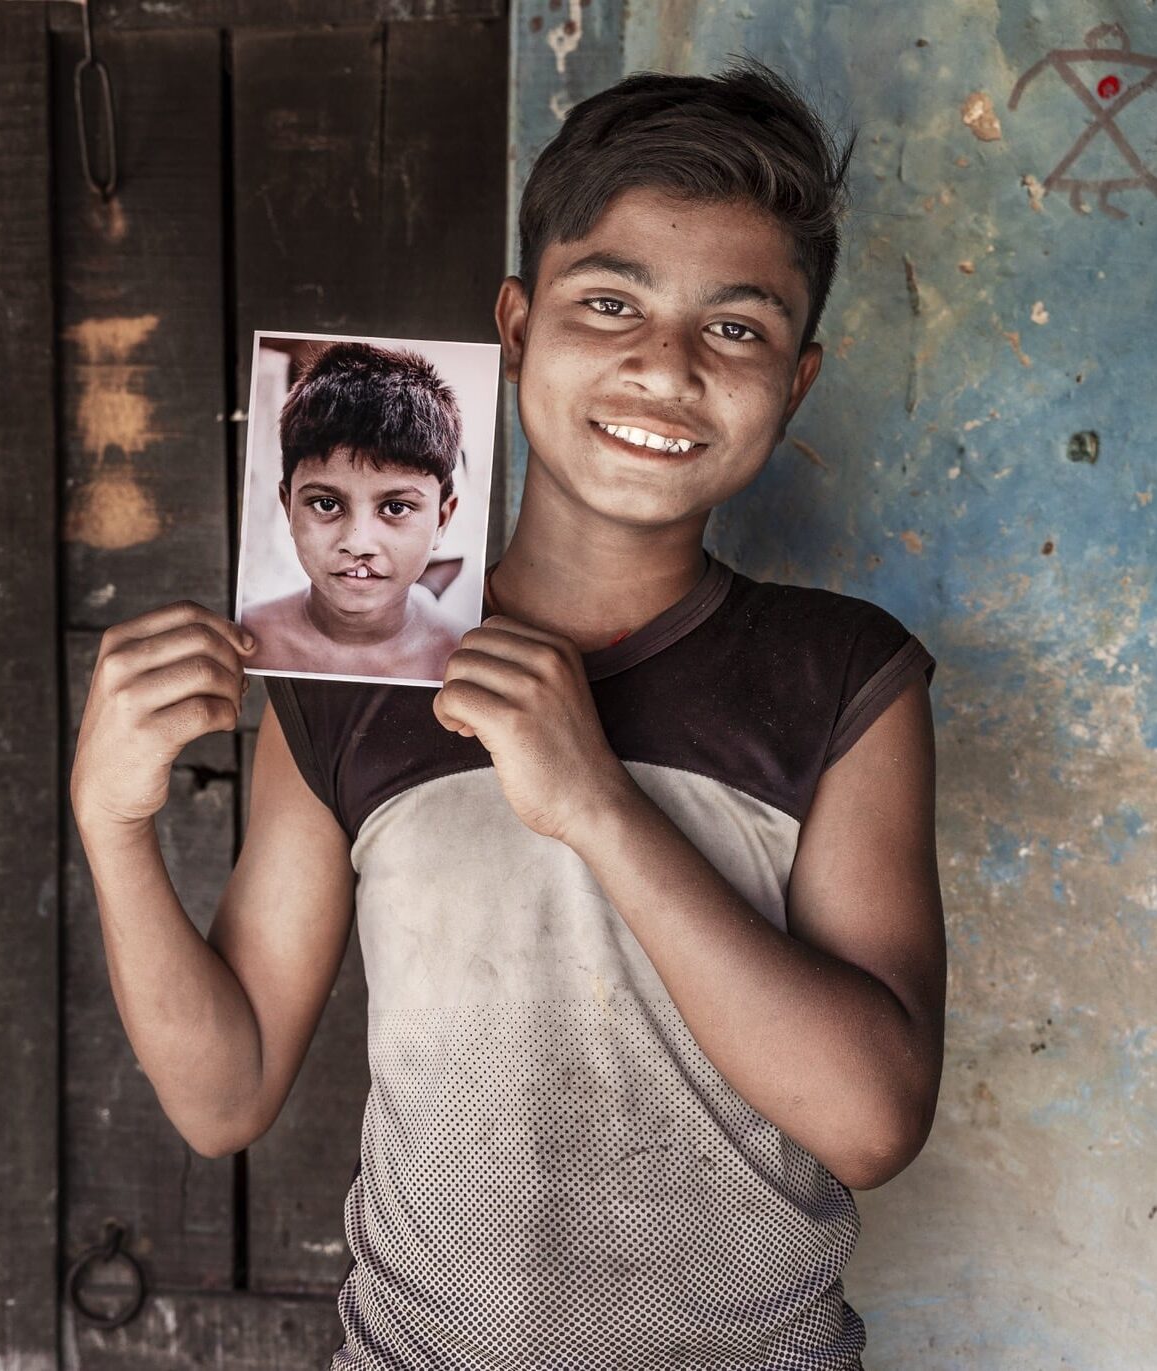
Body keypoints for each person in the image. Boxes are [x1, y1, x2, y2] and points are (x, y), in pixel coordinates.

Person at [70, 59, 946, 1371]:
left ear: (796, 379)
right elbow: (223, 1090)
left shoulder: (842, 676)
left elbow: (870, 1120)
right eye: (609, 303)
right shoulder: (347, 664)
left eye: (734, 327)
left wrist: (594, 802)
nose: (662, 366)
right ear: (517, 327)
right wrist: (114, 822)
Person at [239, 341, 464, 683]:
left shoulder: (462, 659)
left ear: (442, 520)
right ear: (288, 506)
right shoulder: (244, 640)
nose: (358, 544)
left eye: (395, 507)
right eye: (327, 504)